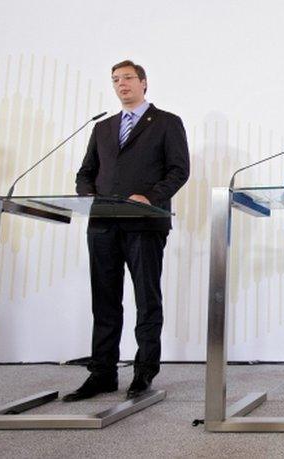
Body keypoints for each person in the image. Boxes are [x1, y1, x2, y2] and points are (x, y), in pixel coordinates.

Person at [68, 59, 190, 401]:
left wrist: (149, 197)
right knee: (105, 300)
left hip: (144, 223)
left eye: (128, 79)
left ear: (144, 83)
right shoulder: (102, 128)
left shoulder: (167, 123)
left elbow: (179, 170)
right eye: (115, 80)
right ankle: (102, 373)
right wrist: (86, 192)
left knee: (146, 299)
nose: (121, 85)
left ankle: (143, 373)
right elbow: (85, 172)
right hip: (103, 224)